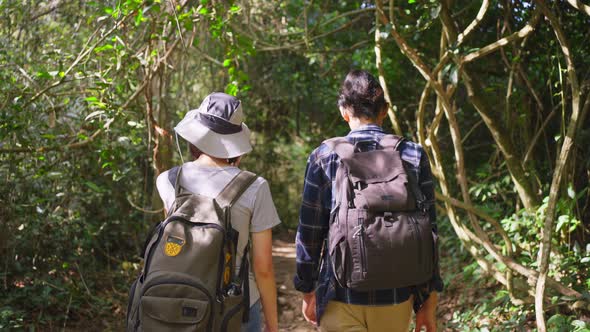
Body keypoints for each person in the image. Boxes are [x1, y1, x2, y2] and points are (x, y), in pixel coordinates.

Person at [294, 70, 443, 331]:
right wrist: (428, 300)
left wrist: (307, 289)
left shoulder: (324, 156)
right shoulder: (413, 154)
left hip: (339, 294)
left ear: (344, 111)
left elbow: (310, 233)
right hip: (397, 296)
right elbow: (429, 230)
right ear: (384, 110)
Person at [156, 92, 281, 332]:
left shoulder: (168, 180)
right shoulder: (255, 187)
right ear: (235, 143)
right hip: (236, 306)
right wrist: (273, 326)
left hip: (176, 302)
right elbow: (263, 268)